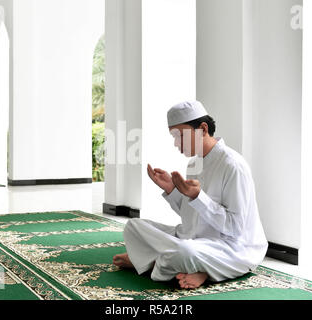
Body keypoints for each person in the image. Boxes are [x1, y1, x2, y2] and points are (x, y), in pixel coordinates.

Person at [113, 101, 268, 289]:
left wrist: (198, 197)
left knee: (184, 251)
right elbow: (191, 218)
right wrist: (172, 189)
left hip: (231, 248)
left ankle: (151, 263)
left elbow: (235, 228)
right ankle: (178, 265)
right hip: (195, 239)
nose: (176, 143)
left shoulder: (233, 166)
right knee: (133, 226)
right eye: (173, 137)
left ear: (202, 129)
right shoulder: (194, 164)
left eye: (179, 135)